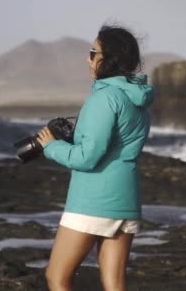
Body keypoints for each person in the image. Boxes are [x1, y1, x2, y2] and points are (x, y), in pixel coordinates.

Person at [36, 24, 154, 291]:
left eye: (92, 52)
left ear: (106, 59)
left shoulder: (104, 98)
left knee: (57, 277)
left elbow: (87, 158)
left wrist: (50, 146)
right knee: (114, 284)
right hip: (127, 201)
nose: (87, 58)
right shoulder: (139, 102)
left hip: (93, 201)